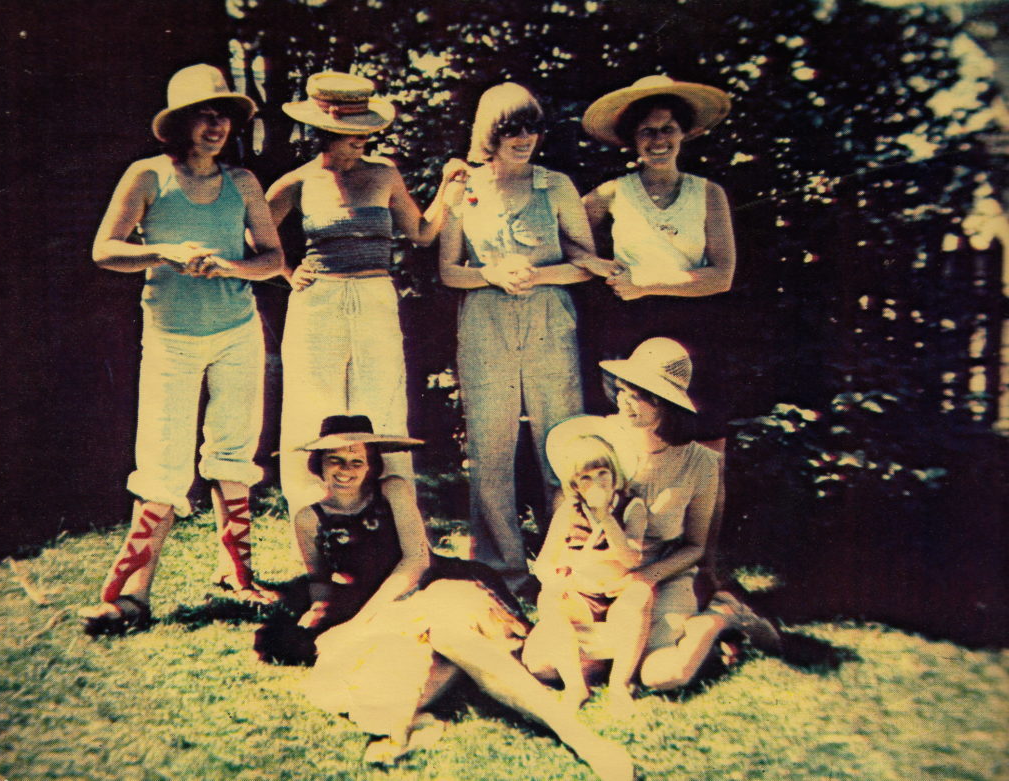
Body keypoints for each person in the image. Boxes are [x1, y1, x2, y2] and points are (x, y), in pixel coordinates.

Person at [79, 64, 284, 634]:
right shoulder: (148, 176)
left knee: (234, 449)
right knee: (163, 460)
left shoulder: (242, 182)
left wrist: (232, 265)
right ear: (178, 124)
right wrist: (164, 252)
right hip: (170, 337)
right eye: (203, 114)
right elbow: (104, 250)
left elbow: (273, 258)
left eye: (223, 114)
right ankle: (129, 595)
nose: (215, 125)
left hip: (236, 330)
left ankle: (237, 576)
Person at [267, 71, 467, 520]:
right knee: (312, 404)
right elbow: (254, 235)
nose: (363, 140)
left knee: (383, 402)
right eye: (350, 134)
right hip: (319, 299)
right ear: (326, 133)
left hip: (375, 297)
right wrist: (286, 271)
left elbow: (420, 232)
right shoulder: (298, 181)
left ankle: (393, 513)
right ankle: (313, 514)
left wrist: (447, 190)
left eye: (367, 132)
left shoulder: (384, 174)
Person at [573, 74, 736, 594]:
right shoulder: (611, 193)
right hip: (629, 328)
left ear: (684, 134)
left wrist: (647, 283)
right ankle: (626, 564)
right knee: (632, 445)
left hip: (696, 327)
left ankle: (704, 567)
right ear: (631, 141)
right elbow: (560, 230)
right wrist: (600, 267)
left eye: (667, 129)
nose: (658, 140)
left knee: (707, 450)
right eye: (646, 132)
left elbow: (722, 274)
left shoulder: (708, 194)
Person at [438, 82, 595, 594]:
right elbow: (449, 272)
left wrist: (535, 273)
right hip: (485, 323)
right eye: (511, 130)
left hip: (550, 320)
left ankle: (565, 562)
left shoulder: (557, 186)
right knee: (491, 446)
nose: (524, 138)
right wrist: (493, 274)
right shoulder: (466, 189)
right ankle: (500, 567)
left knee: (562, 441)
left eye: (532, 128)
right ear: (490, 134)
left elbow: (585, 265)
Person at [305, 563, 634, 781]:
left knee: (450, 636)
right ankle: (417, 721)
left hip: (457, 588)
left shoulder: (345, 672)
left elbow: (414, 574)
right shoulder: (337, 691)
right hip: (415, 620)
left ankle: (578, 736)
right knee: (441, 650)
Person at [583, 338, 779, 691]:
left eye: (639, 396)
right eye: (623, 391)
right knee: (551, 666)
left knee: (660, 675)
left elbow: (694, 547)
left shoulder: (699, 462)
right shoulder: (602, 437)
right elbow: (570, 506)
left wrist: (645, 577)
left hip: (665, 574)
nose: (626, 402)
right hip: (606, 573)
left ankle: (720, 617)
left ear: (664, 404)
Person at [525, 417, 652, 713]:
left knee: (640, 595)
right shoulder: (570, 511)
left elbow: (632, 558)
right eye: (585, 478)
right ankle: (576, 686)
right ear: (574, 485)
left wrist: (606, 517)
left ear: (615, 472)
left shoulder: (631, 508)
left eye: (602, 473)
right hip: (581, 598)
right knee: (549, 601)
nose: (596, 483)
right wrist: (553, 579)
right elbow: (544, 563)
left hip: (616, 597)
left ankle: (620, 685)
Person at [290, 415, 429, 635]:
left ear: (370, 466)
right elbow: (319, 578)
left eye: (357, 461)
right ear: (319, 463)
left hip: (417, 590)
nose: (346, 469)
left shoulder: (393, 491)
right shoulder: (308, 518)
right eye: (335, 459)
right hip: (357, 601)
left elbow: (417, 559)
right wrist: (318, 608)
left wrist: (363, 619)